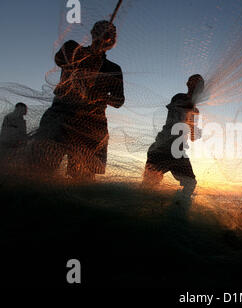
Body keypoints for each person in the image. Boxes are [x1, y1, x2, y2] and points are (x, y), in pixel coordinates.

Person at [31, 20, 124, 180]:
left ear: (113, 42)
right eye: (103, 32)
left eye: (112, 35)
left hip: (92, 124)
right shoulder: (73, 49)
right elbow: (59, 59)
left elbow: (119, 101)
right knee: (41, 169)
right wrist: (83, 59)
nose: (107, 37)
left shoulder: (113, 69)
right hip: (61, 116)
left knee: (83, 178)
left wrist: (100, 96)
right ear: (93, 33)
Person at [142, 74, 204, 197]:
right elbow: (180, 108)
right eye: (194, 84)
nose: (196, 88)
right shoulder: (179, 98)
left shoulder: (195, 110)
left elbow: (192, 137)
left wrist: (197, 133)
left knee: (190, 183)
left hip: (177, 151)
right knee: (148, 186)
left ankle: (176, 208)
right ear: (188, 84)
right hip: (162, 147)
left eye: (199, 86)